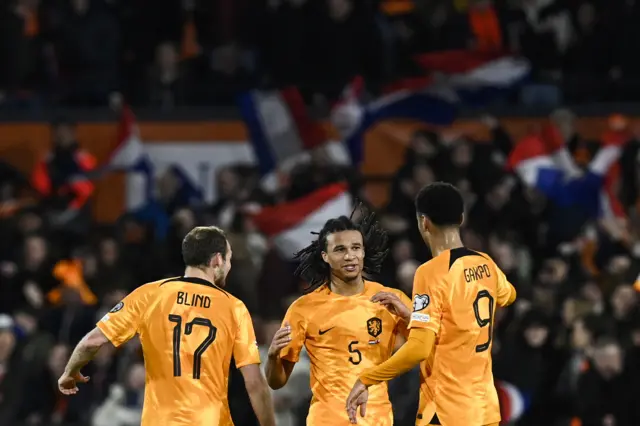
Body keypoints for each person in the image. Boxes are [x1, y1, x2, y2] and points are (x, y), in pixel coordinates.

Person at [57, 226, 276, 426]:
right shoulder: (233, 308)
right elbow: (255, 383)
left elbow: (92, 341)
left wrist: (70, 371)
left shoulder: (151, 294)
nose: (228, 266)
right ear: (217, 260)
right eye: (228, 259)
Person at [346, 182, 517, 426]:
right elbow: (507, 295)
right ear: (461, 218)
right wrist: (414, 316)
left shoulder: (431, 273)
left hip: (446, 412)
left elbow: (419, 348)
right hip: (483, 408)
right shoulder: (485, 263)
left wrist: (367, 379)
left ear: (423, 222)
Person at [265, 208, 412, 425]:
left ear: (363, 252)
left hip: (376, 419)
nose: (350, 256)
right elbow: (276, 382)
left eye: (356, 248)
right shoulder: (304, 308)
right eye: (340, 249)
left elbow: (428, 343)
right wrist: (272, 357)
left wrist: (409, 316)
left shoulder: (391, 300)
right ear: (325, 256)